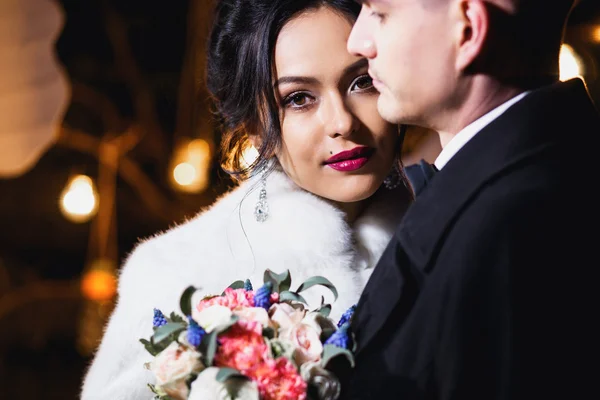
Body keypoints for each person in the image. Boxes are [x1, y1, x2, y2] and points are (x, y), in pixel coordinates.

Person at [80, 0, 426, 398]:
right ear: (254, 127)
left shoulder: (445, 236)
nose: (343, 122)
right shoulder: (175, 272)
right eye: (299, 98)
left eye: (360, 82)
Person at [342, 0, 600, 398]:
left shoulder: (513, 231)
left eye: (380, 12)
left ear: (467, 30)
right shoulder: (539, 176)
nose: (357, 41)